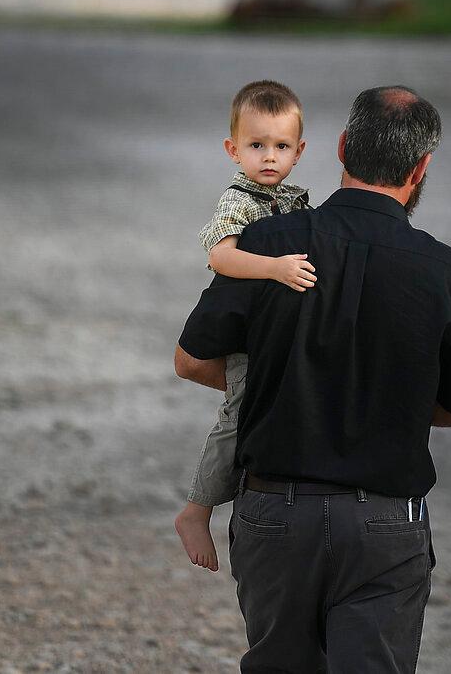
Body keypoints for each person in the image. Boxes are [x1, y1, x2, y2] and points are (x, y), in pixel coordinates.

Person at [174, 85, 451, 673]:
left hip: (274, 514)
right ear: (420, 169)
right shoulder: (450, 273)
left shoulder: (266, 245)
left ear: (342, 148)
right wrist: (376, 394)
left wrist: (291, 383)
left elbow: (190, 360)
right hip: (385, 525)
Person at [174, 80, 318, 573]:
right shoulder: (238, 198)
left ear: (299, 152)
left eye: (280, 147)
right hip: (246, 336)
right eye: (257, 146)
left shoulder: (299, 201)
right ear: (233, 149)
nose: (269, 157)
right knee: (238, 414)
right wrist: (276, 267)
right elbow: (221, 256)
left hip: (280, 331)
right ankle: (197, 509)